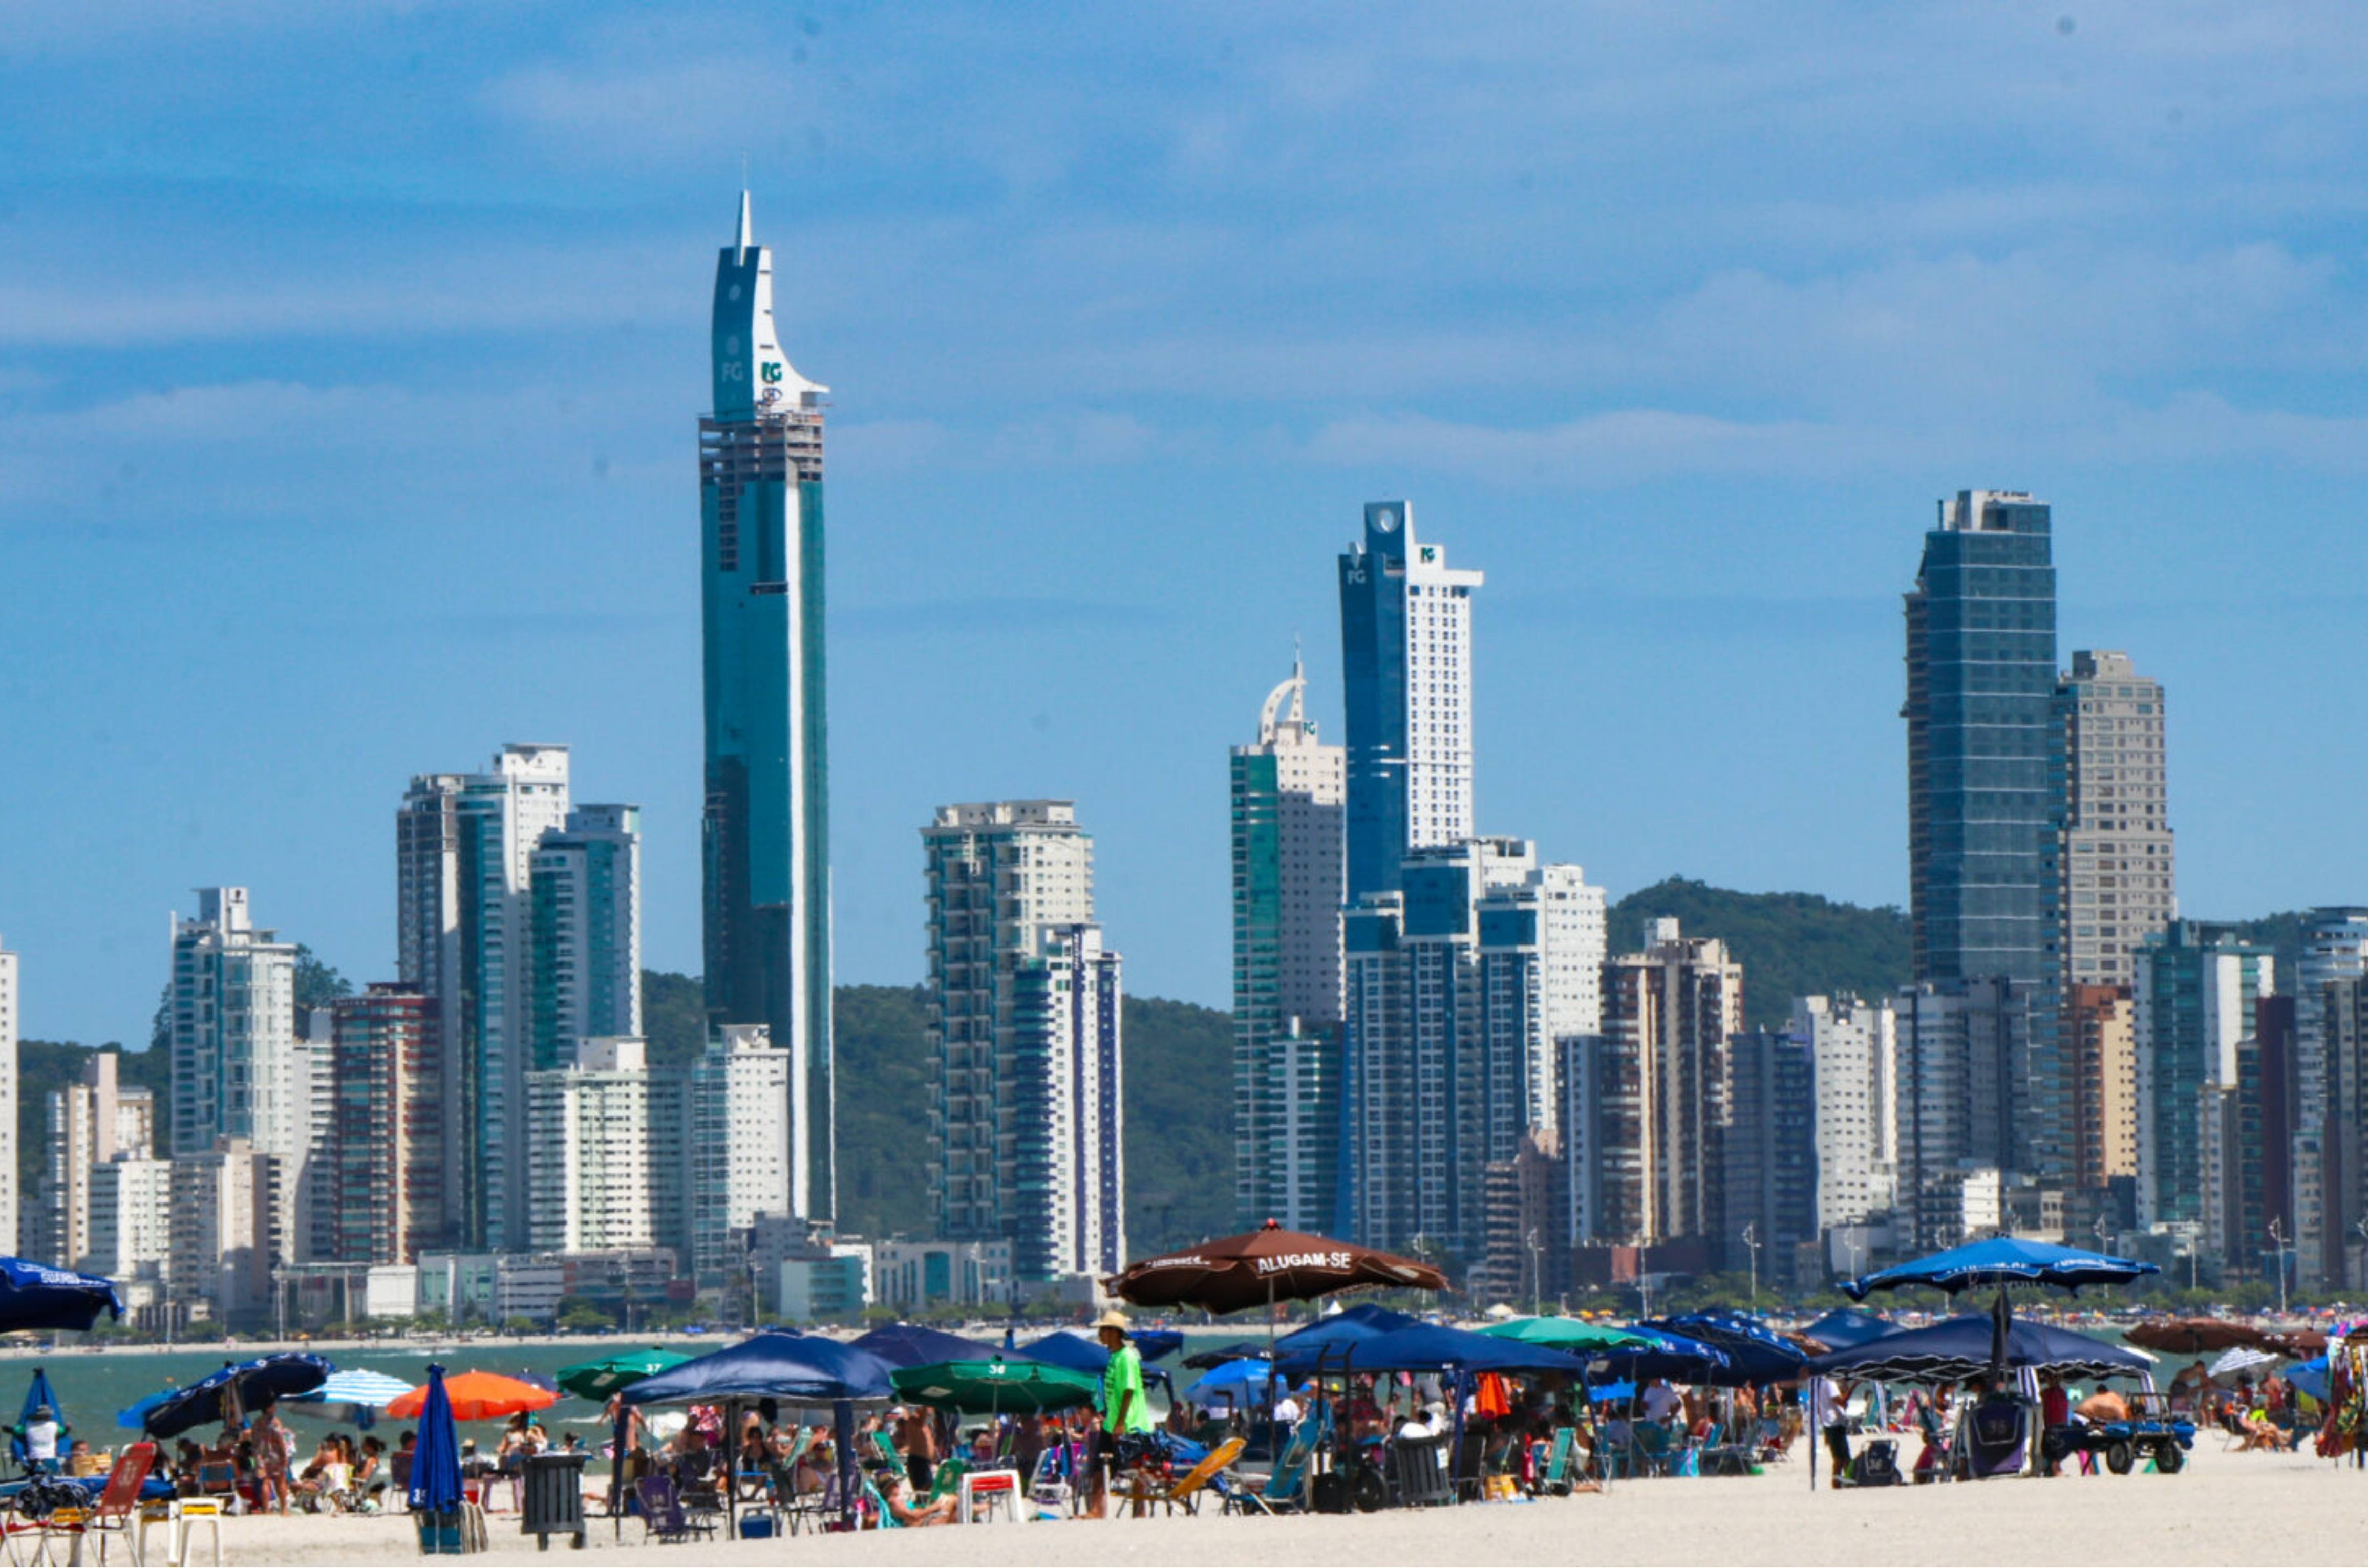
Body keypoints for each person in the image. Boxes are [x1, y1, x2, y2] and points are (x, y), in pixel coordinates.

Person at [1087, 1309, 1152, 1519]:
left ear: (1115, 1332)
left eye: (1104, 1330)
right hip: (1112, 1423)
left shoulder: (1127, 1357)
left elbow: (1128, 1391)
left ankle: (1139, 1513)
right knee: (1098, 1467)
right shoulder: (1114, 1356)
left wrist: (1121, 1423)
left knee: (1136, 1469)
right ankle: (1097, 1511)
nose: (1101, 1334)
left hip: (1130, 1424)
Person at [868, 1463, 957, 1527]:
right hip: (921, 1526)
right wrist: (934, 1507)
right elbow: (914, 1516)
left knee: (953, 1501)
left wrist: (930, 1508)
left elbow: (914, 1513)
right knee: (950, 1500)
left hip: (923, 1522)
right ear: (889, 1487)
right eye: (895, 1484)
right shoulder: (893, 1502)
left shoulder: (896, 1501)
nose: (898, 1486)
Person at [1809, 1375, 1852, 1488]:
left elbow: (1820, 1407)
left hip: (1831, 1423)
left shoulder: (1819, 1384)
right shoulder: (1829, 1383)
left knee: (1842, 1456)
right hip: (1835, 1423)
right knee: (1841, 1458)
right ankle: (1839, 1482)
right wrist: (1854, 1387)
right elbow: (1842, 1402)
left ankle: (1845, 1480)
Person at [892, 1404, 938, 1494]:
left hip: (925, 1462)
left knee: (928, 1490)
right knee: (923, 1491)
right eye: (930, 1407)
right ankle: (921, 1507)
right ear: (921, 1408)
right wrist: (925, 1403)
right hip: (918, 1462)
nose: (932, 1409)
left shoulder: (924, 1425)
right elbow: (921, 1419)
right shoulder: (914, 1421)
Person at [22, 1405, 60, 1472]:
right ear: (48, 1416)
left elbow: (16, 1431)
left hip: (34, 1459)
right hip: (50, 1458)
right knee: (53, 1478)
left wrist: (6, 1428)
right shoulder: (54, 1426)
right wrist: (68, 1428)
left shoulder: (28, 1425)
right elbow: (63, 1431)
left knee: (34, 1478)